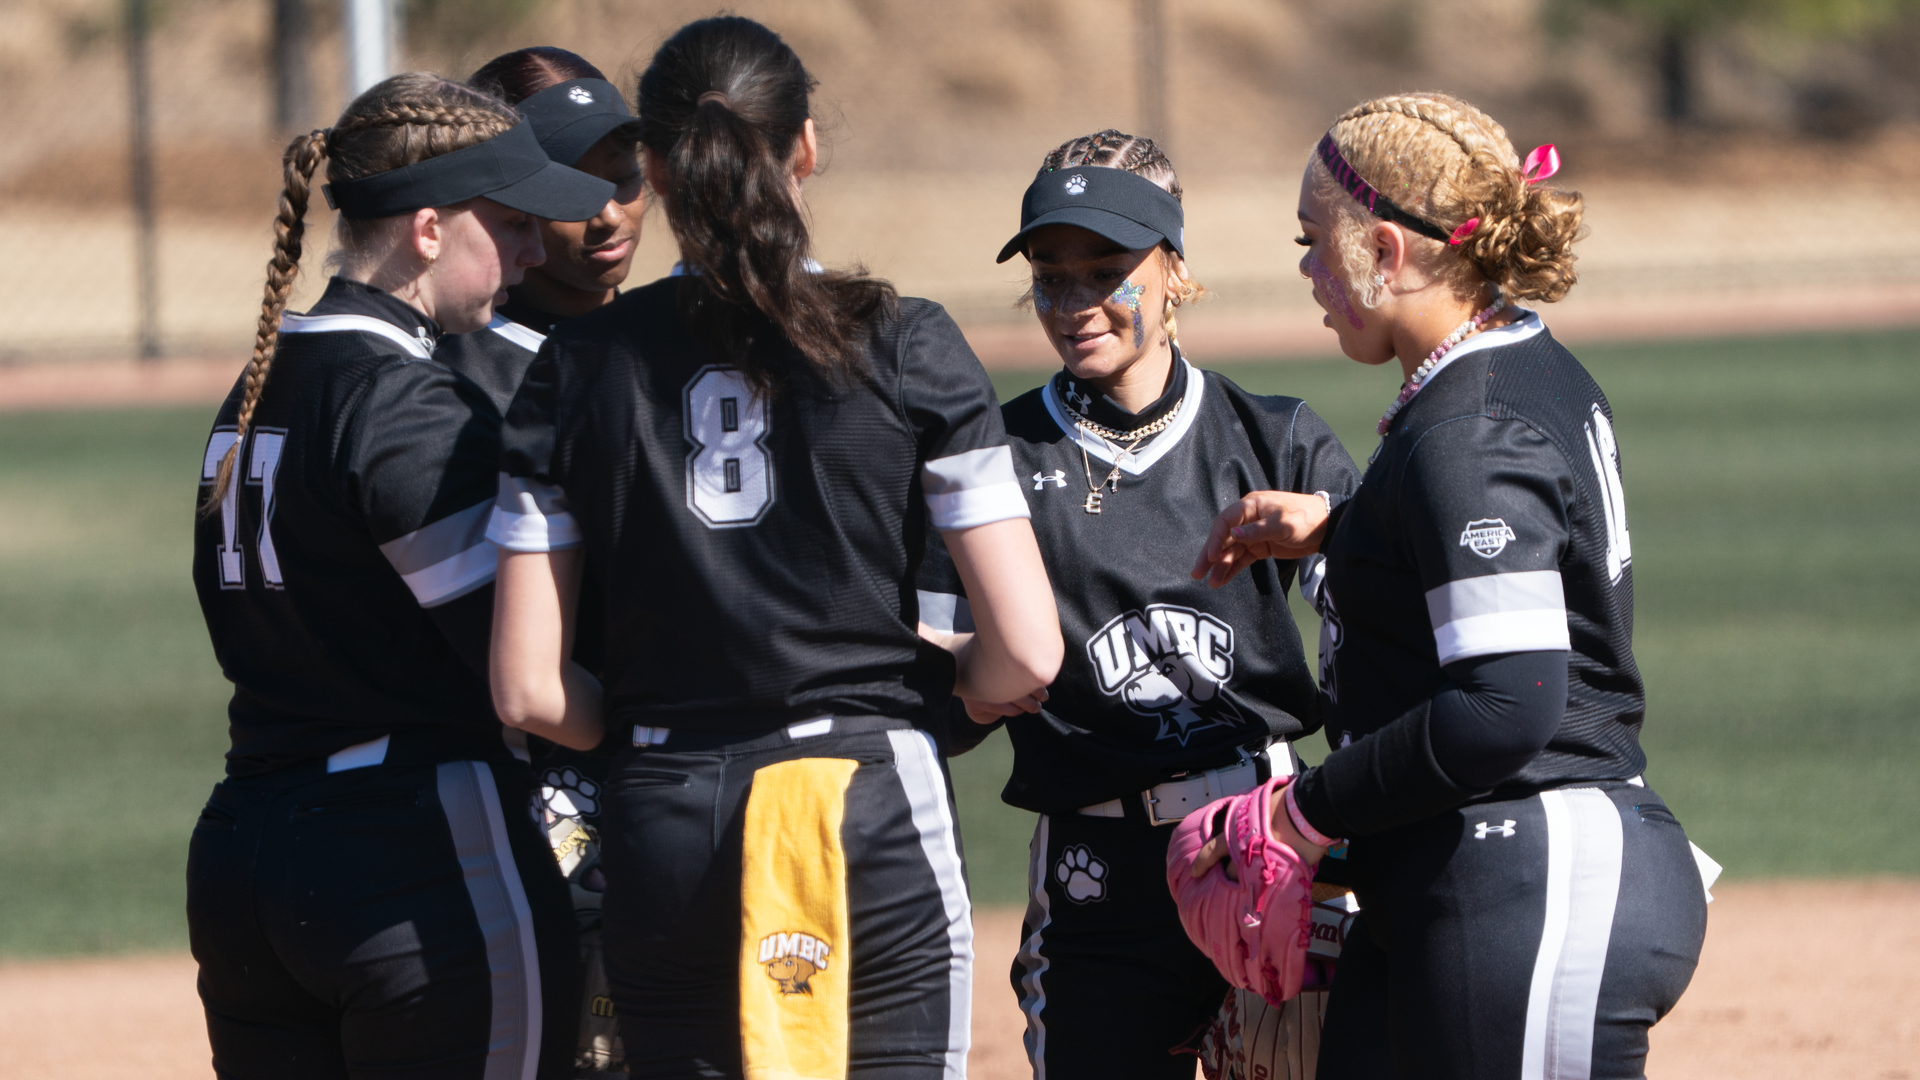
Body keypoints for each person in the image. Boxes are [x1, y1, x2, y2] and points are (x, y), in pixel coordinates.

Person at [485, 16, 1063, 1080]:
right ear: (806, 146)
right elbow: (1027, 652)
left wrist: (659, 727)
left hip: (665, 808)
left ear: (657, 169)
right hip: (865, 797)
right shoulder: (907, 338)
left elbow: (527, 689)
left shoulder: (575, 365)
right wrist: (944, 689)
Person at [1191, 92, 1709, 1079]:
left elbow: (1506, 705)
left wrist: (1301, 813)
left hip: (1527, 877)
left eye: (1312, 241)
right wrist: (1349, 530)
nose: (1306, 270)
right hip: (1480, 876)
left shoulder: (1469, 428)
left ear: (1385, 252)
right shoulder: (1515, 369)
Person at [186, 73, 615, 1079]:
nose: (531, 253)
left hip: (247, 853)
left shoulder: (262, 383)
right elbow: (530, 683)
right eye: (512, 225)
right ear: (429, 230)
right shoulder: (405, 404)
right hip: (413, 861)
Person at [913, 130, 1359, 1079]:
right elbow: (930, 697)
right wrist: (966, 687)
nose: (1074, 303)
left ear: (1174, 272)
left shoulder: (1273, 437)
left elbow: (1375, 630)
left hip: (1264, 843)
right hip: (1097, 878)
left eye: (1106, 270)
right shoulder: (992, 461)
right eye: (1050, 276)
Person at [437, 46, 649, 1077]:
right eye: (569, 183)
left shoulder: (670, 340)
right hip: (552, 796)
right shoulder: (469, 379)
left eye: (625, 175)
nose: (606, 212)